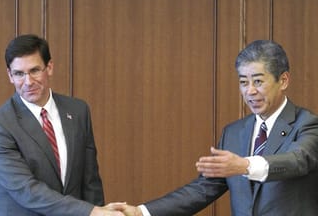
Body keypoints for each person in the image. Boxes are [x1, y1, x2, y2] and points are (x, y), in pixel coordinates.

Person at [119, 40, 318, 216]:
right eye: (243, 82)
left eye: (258, 81)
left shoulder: (307, 124)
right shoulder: (234, 133)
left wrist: (245, 165)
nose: (250, 91)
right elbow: (203, 189)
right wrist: (141, 212)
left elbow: (297, 161)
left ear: (283, 80)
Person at [0, 34, 125, 216]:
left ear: (49, 67)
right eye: (19, 74)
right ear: (10, 75)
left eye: (35, 70)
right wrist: (90, 211)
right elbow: (26, 190)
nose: (28, 82)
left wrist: (97, 211)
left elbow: (90, 180)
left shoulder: (78, 110)